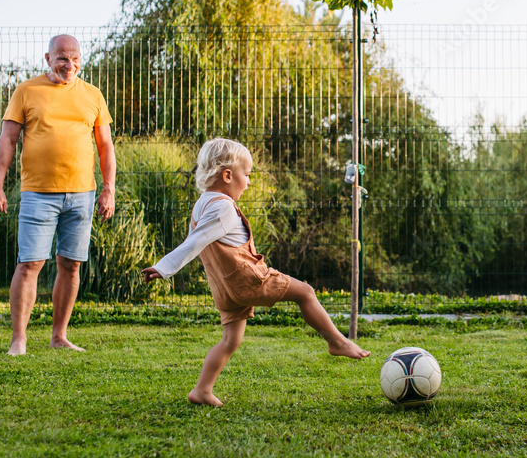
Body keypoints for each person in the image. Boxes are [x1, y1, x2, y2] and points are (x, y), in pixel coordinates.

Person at [141, 138, 370, 407]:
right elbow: (195, 243)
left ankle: (202, 390)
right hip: (247, 280)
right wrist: (164, 267)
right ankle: (337, 342)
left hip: (225, 290)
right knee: (306, 293)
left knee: (230, 341)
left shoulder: (202, 203)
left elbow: (197, 240)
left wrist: (164, 266)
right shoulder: (223, 207)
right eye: (246, 175)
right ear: (228, 175)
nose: (248, 182)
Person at [0, 34, 116, 356]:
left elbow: (105, 146)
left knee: (71, 265)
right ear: (48, 58)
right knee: (30, 264)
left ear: (80, 60)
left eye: (74, 59)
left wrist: (108, 190)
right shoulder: (26, 91)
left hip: (83, 194)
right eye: (61, 58)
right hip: (38, 193)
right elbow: (7, 142)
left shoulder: (92, 94)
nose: (68, 65)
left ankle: (59, 335)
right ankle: (19, 339)